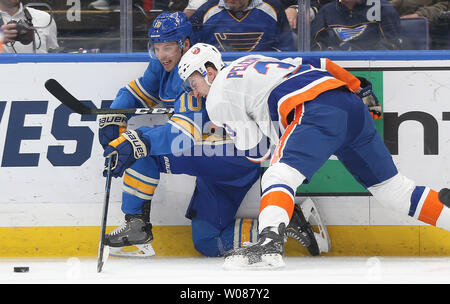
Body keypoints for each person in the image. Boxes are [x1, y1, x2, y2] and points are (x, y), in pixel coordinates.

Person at [177, 42, 450, 269]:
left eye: (193, 81)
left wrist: (227, 133)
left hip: (314, 109)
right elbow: (319, 61)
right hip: (349, 105)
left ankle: (269, 244)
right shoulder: (251, 60)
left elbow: (257, 152)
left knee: (276, 174)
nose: (194, 90)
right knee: (394, 191)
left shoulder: (217, 98)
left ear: (210, 71)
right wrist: (356, 85)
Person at [99, 12, 320, 258]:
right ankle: (286, 222)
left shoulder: (192, 74)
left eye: (168, 47)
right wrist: (114, 114)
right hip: (229, 166)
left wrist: (137, 140)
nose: (161, 55)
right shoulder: (163, 65)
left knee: (143, 152)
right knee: (207, 241)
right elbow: (139, 90)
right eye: (157, 48)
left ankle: (135, 224)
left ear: (184, 44)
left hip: (230, 153)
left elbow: (182, 134)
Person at [189, 0, 295, 52]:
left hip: (261, 76)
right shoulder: (205, 12)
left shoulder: (273, 9)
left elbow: (285, 51)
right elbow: (193, 52)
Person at [311, 0, 401, 50]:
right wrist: (332, 53)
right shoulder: (327, 10)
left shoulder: (382, 8)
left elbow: (391, 44)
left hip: (373, 65)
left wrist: (360, 53)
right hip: (337, 65)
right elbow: (315, 43)